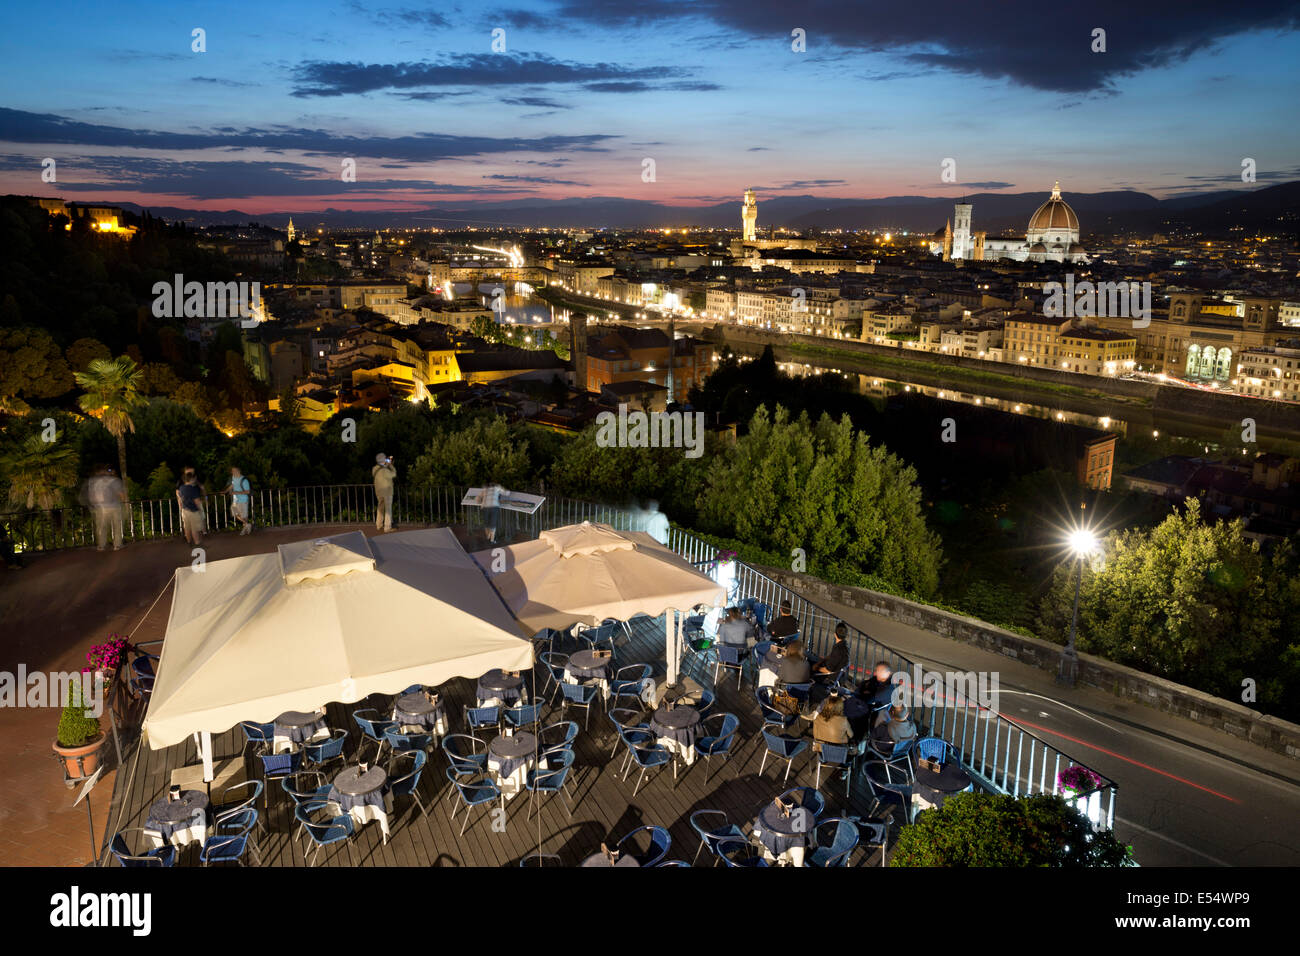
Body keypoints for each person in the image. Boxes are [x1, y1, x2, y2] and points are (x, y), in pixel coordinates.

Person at [85, 464, 127, 551]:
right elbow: (121, 495)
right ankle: (117, 545)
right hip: (114, 507)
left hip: (100, 508)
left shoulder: (93, 481)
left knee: (101, 528)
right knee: (117, 527)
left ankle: (101, 545)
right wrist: (122, 502)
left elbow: (91, 495)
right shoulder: (114, 480)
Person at [176, 468, 205, 546]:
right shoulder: (193, 489)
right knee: (194, 529)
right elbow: (197, 501)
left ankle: (189, 541)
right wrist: (200, 509)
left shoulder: (181, 488)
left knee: (187, 528)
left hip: (185, 510)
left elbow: (179, 497)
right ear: (191, 479)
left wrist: (180, 506)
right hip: (193, 511)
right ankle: (197, 543)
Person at [220, 465, 253, 535]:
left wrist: (236, 492)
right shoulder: (233, 478)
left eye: (234, 471)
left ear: (239, 471)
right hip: (236, 500)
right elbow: (232, 485)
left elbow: (248, 491)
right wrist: (225, 491)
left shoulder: (244, 480)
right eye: (232, 471)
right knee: (234, 512)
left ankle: (245, 529)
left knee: (244, 516)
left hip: (243, 500)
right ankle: (247, 524)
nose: (232, 472)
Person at [372, 453, 396, 532]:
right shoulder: (386, 469)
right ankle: (387, 527)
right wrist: (390, 465)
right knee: (388, 509)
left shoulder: (375, 469)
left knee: (380, 508)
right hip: (387, 491)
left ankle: (378, 525)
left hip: (378, 492)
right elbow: (393, 474)